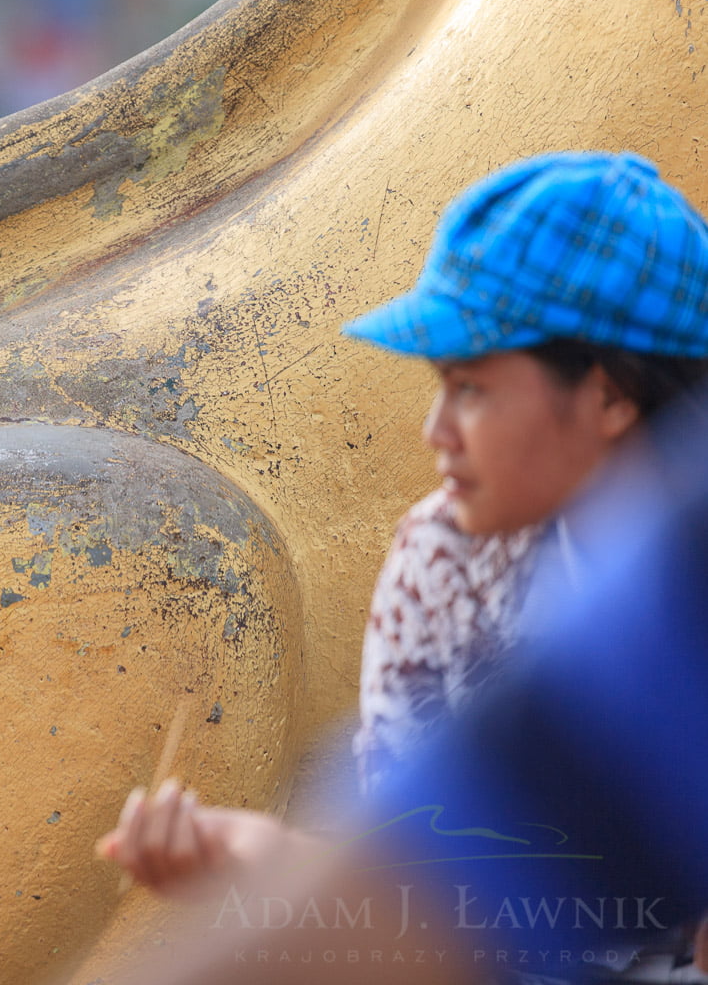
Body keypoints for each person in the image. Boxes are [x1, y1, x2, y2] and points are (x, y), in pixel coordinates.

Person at [97, 152, 708, 913]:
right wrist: (260, 856)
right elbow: (425, 890)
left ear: (610, 396)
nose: (435, 432)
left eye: (470, 390)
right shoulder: (439, 563)